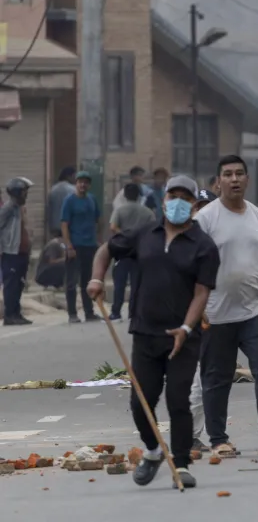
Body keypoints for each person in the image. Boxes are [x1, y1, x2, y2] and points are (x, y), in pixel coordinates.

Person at [87, 175, 219, 490]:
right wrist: (96, 279)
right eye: (173, 196)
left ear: (194, 205)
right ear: (163, 201)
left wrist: (186, 328)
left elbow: (202, 293)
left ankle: (182, 464)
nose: (178, 202)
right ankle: (153, 450)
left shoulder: (204, 246)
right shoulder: (144, 234)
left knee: (178, 400)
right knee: (140, 401)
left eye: (185, 198)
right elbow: (106, 250)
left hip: (183, 339)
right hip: (145, 333)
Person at [195, 155, 258, 458]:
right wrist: (195, 306)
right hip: (216, 313)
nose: (234, 179)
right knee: (216, 377)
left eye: (240, 173)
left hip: (256, 310)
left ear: (247, 179)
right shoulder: (205, 219)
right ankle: (218, 439)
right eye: (228, 174)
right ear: (218, 182)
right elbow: (191, 266)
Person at [188, 188, 219, 453]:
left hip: (223, 316)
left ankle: (214, 433)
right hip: (195, 318)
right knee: (197, 379)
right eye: (199, 207)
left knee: (212, 377)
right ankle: (191, 435)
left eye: (207, 206)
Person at [108, 183, 157, 321]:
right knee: (137, 283)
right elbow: (153, 228)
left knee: (119, 283)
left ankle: (116, 312)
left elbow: (113, 227)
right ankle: (133, 312)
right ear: (139, 195)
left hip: (122, 251)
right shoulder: (147, 212)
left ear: (124, 195)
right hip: (140, 251)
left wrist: (124, 235)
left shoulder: (119, 210)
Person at [61, 171, 102, 323]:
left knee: (87, 281)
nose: (83, 185)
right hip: (75, 245)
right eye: (80, 182)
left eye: (86, 182)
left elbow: (98, 219)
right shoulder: (69, 200)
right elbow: (64, 224)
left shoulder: (92, 199)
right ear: (76, 183)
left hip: (89, 245)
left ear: (89, 185)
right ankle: (72, 314)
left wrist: (98, 239)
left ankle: (89, 312)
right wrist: (68, 245)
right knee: (71, 282)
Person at [0, 177, 35, 326]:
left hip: (22, 253)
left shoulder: (20, 209)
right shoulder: (8, 209)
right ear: (16, 192)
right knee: (11, 285)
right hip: (11, 253)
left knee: (19, 284)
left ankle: (16, 313)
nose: (26, 194)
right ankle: (9, 315)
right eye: (24, 191)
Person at [48, 167, 76, 238]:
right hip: (68, 226)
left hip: (54, 227)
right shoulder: (72, 189)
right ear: (69, 176)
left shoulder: (53, 189)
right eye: (74, 176)